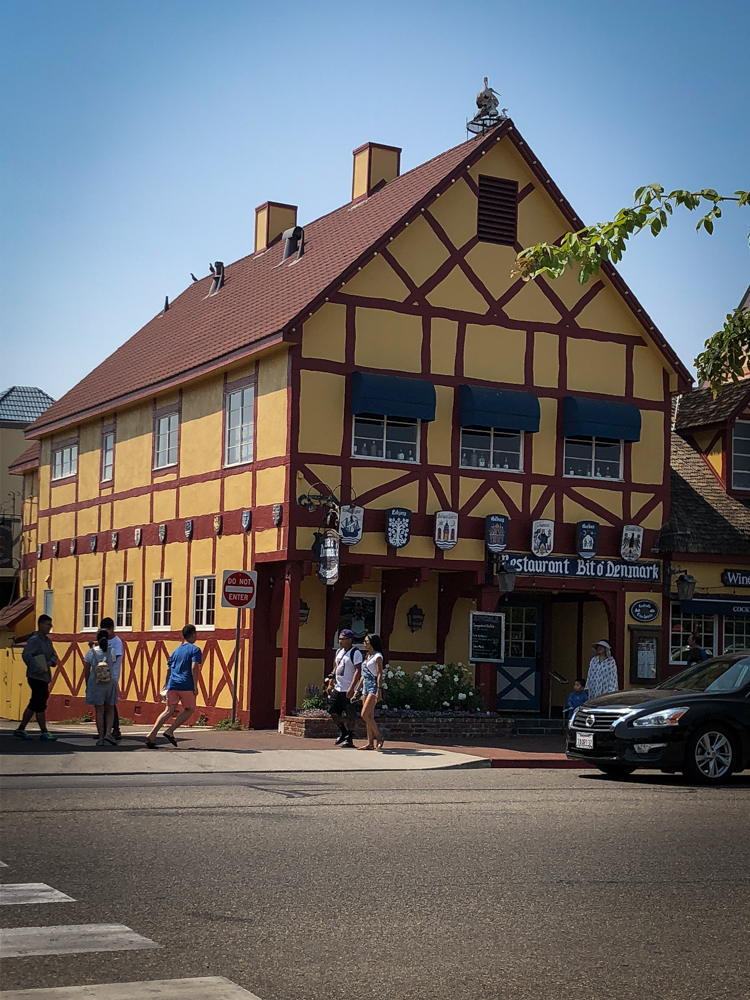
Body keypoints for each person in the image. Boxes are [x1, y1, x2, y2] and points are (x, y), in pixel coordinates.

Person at [146, 624, 201, 748]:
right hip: (186, 684)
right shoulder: (195, 650)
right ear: (193, 635)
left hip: (173, 684)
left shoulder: (176, 651)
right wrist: (195, 685)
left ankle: (152, 734)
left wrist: (166, 685)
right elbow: (194, 667)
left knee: (168, 710)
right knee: (189, 709)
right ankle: (170, 730)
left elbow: (168, 669)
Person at [15, 614, 58, 741]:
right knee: (40, 700)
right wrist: (36, 667)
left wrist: (51, 662)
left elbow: (54, 655)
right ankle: (44, 731)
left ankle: (21, 728)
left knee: (35, 702)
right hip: (35, 676)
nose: (50, 627)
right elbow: (26, 655)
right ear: (40, 625)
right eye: (47, 624)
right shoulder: (34, 640)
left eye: (50, 625)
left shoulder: (47, 641)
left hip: (45, 675)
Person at [84, 628, 119, 746]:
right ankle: (108, 733)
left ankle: (100, 737)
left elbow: (86, 670)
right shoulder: (112, 651)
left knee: (99, 711)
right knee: (110, 709)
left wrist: (87, 684)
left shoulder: (91, 652)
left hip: (96, 682)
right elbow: (112, 663)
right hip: (109, 682)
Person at [328, 629, 362, 748]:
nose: (340, 641)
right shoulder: (339, 651)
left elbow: (358, 670)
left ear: (350, 640)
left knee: (350, 715)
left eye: (343, 639)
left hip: (348, 688)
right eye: (339, 639)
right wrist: (331, 681)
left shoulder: (355, 653)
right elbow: (336, 667)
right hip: (338, 687)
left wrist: (352, 688)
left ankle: (350, 739)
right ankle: (343, 731)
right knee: (332, 711)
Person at [353, 633, 384, 751]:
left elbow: (380, 673)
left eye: (366, 641)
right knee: (369, 716)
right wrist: (357, 690)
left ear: (372, 643)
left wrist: (379, 690)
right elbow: (363, 675)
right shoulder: (367, 656)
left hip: (373, 686)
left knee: (364, 714)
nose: (364, 643)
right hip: (365, 685)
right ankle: (370, 743)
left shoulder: (377, 656)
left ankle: (379, 738)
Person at [99, 617, 124, 740]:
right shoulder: (103, 640)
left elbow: (114, 658)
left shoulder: (116, 642)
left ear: (111, 629)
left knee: (111, 703)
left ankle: (115, 729)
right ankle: (103, 729)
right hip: (102, 675)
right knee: (103, 703)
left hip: (112, 675)